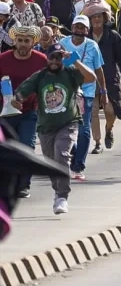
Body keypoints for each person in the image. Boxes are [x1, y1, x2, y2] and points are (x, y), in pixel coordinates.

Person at [11, 43, 97, 214]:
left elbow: (91, 77)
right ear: (47, 58)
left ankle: (63, 197)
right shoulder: (40, 77)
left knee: (62, 154)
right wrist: (16, 100)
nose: (55, 61)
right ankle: (58, 192)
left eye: (59, 57)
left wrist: (74, 60)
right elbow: (21, 93)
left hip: (68, 123)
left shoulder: (70, 73)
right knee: (51, 163)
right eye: (52, 57)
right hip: (46, 128)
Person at [0, 25, 48, 198]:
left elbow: (46, 84)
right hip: (5, 113)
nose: (22, 44)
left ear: (33, 42)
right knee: (7, 149)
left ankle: (23, 185)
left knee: (27, 146)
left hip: (30, 112)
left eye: (26, 41)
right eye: (19, 40)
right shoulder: (3, 59)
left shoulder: (41, 60)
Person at [59, 15, 105, 180]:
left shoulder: (92, 46)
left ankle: (78, 166)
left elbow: (99, 71)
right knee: (64, 127)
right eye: (76, 27)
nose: (79, 30)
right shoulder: (62, 44)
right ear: (72, 28)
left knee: (84, 128)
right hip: (65, 92)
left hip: (86, 93)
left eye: (82, 28)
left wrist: (104, 92)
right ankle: (73, 155)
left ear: (87, 30)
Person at [84, 0, 121, 153]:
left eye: (99, 16)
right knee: (93, 112)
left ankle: (109, 130)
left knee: (111, 111)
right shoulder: (85, 37)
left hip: (110, 79)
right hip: (89, 81)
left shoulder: (113, 36)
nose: (96, 19)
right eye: (93, 16)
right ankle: (97, 143)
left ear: (105, 17)